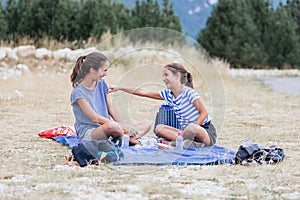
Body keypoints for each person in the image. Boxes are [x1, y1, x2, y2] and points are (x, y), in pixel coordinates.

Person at [110, 63, 217, 148]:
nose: (163, 78)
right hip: (187, 135)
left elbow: (204, 112)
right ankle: (187, 144)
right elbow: (143, 92)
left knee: (191, 128)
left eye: (166, 75)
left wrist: (193, 129)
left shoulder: (189, 92)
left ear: (177, 76)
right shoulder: (168, 95)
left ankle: (175, 144)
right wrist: (120, 87)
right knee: (159, 128)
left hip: (205, 132)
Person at [70, 52, 150, 145]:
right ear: (92, 70)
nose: (106, 74)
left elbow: (111, 109)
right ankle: (127, 139)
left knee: (146, 123)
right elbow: (94, 118)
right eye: (104, 70)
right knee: (112, 127)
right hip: (89, 132)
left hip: (108, 127)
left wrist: (124, 125)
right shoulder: (78, 92)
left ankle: (125, 138)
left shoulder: (101, 83)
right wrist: (121, 126)